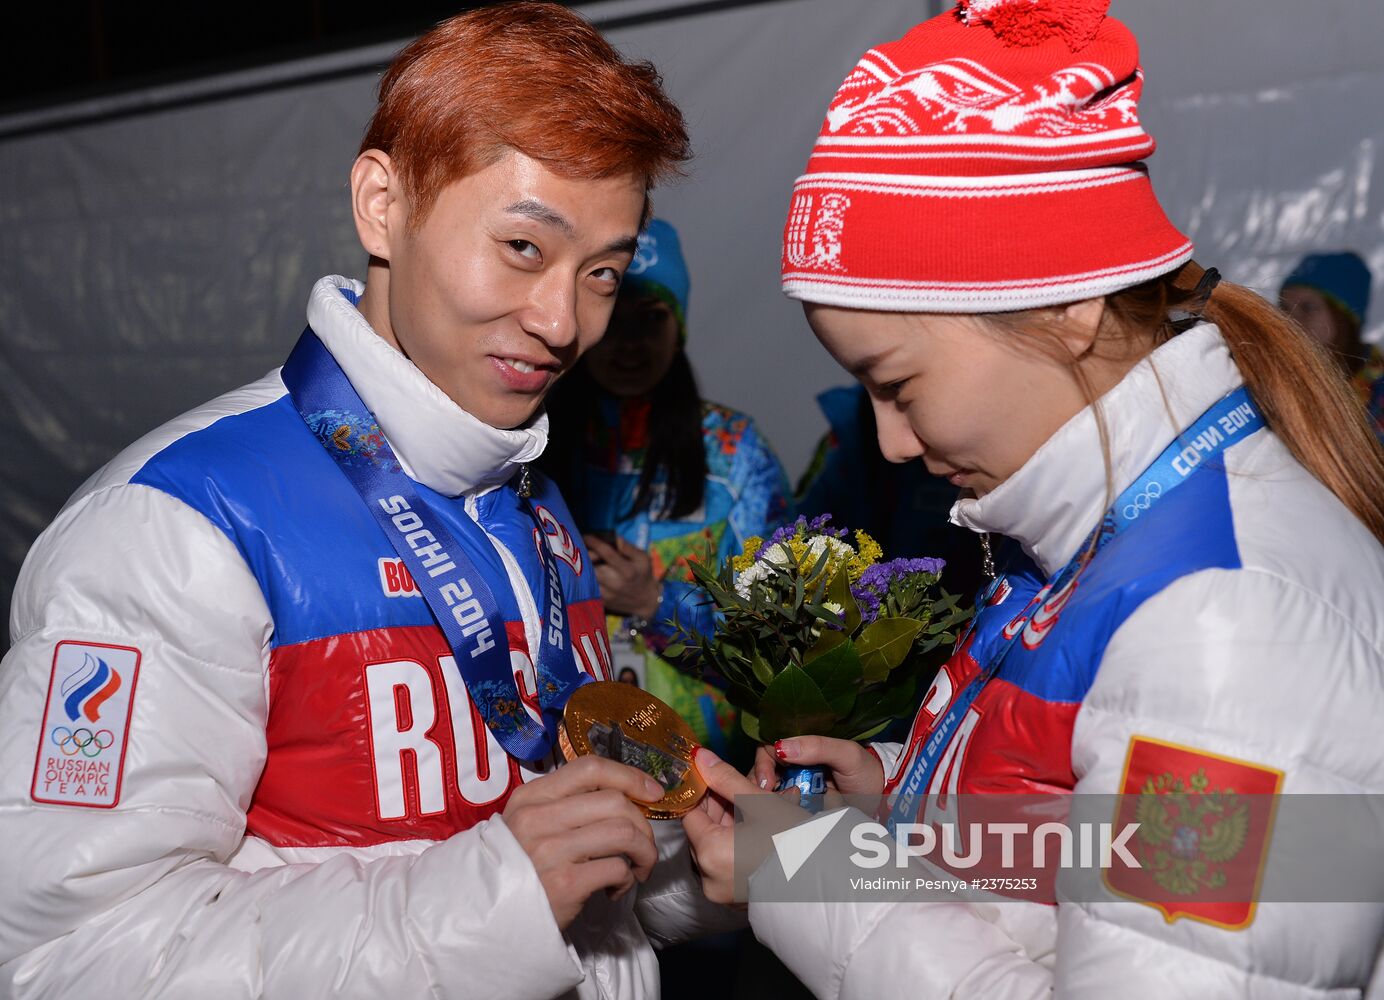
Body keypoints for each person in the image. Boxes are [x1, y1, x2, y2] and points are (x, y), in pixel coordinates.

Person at [0, 5, 727, 997]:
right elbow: (62, 958)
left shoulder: (543, 513)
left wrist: (751, 858)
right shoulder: (173, 521)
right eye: (522, 247)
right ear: (382, 203)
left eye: (601, 273)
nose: (563, 322)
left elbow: (602, 900)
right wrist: (491, 899)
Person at [680, 1, 1384, 996]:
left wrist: (806, 873)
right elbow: (1102, 843)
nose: (887, 439)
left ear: (1065, 309)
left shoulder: (1222, 621)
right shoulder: (1108, 532)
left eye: (897, 384)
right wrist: (913, 804)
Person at [542, 218, 793, 762]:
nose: (630, 344)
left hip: (702, 764)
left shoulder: (735, 450)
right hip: (563, 755)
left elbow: (780, 638)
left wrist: (654, 601)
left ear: (678, 326)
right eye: (615, 318)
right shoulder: (530, 442)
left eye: (652, 318)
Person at [1279, 251, 1384, 441]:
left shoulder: (1378, 396)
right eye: (1284, 307)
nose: (1291, 319)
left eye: (1308, 307)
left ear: (1342, 318)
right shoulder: (1265, 379)